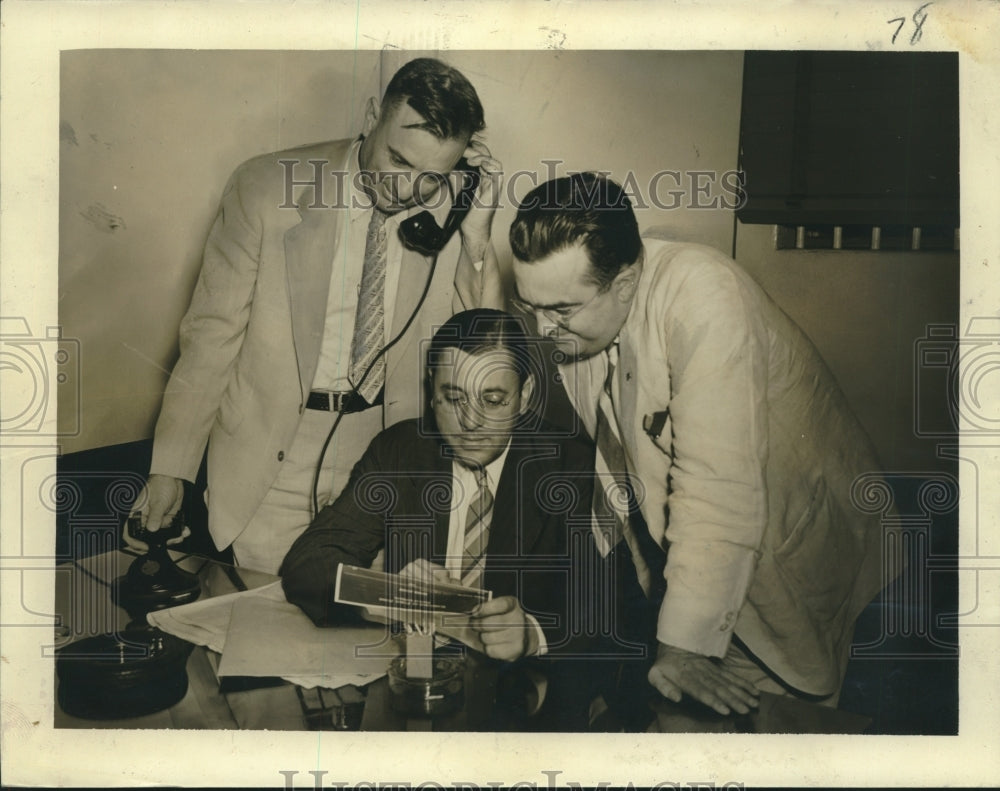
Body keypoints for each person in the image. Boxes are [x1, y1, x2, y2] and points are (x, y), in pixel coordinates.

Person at [508, 173, 893, 724]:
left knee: (788, 736)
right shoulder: (579, 311)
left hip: (791, 555)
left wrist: (684, 645)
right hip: (703, 567)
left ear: (626, 280)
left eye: (561, 311)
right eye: (532, 306)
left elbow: (719, 485)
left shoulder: (705, 294)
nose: (543, 329)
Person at [125, 58, 503, 573]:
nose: (408, 189)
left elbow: (486, 353)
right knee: (259, 624)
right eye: (398, 160)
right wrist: (172, 467)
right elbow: (212, 337)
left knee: (358, 637)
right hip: (274, 454)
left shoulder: (453, 212)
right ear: (373, 114)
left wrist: (476, 234)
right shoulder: (266, 188)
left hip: (384, 460)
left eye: (431, 177)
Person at [280, 309, 603, 729]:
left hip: (525, 708)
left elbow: (613, 604)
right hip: (411, 696)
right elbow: (307, 563)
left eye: (492, 400)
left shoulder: (572, 468)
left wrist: (534, 635)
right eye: (453, 398)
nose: (470, 423)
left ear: (525, 395)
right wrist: (390, 593)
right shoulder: (400, 450)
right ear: (431, 393)